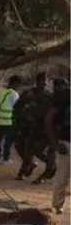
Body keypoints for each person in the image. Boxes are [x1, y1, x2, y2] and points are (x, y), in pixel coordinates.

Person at [47, 79, 71, 215]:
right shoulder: (64, 97)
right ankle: (57, 207)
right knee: (62, 177)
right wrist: (55, 143)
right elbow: (49, 119)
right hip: (66, 143)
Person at [0, 75, 23, 164]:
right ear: (15, 83)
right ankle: (6, 158)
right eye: (18, 85)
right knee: (8, 141)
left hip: (2, 119)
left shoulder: (1, 91)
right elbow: (18, 107)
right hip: (10, 120)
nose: (19, 87)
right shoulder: (14, 94)